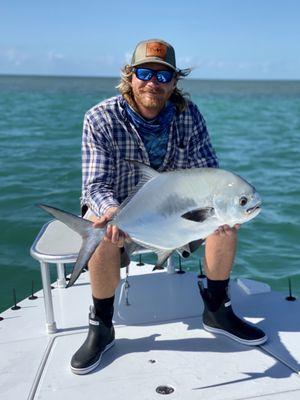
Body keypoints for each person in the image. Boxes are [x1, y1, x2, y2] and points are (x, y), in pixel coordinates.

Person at [70, 39, 267, 375]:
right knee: (97, 227)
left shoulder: (188, 115)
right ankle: (101, 326)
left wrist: (217, 213)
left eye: (163, 77)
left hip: (178, 215)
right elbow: (95, 185)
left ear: (175, 82)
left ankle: (217, 310)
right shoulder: (100, 118)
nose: (153, 83)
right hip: (121, 214)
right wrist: (112, 212)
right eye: (145, 73)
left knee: (226, 224)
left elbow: (208, 170)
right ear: (130, 77)